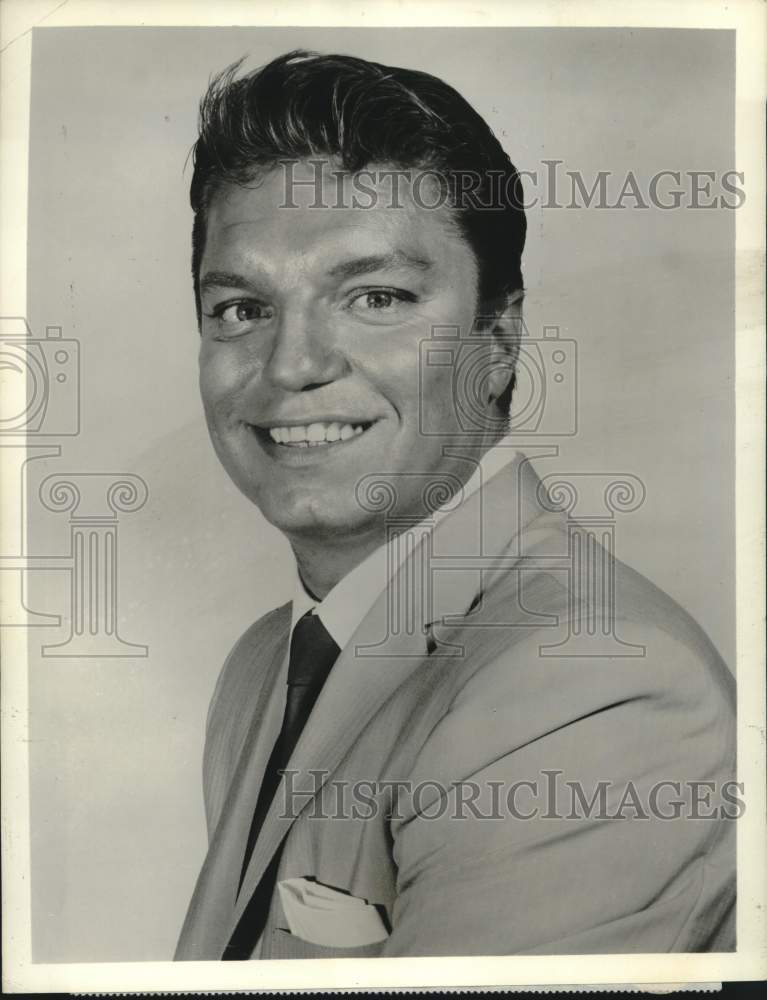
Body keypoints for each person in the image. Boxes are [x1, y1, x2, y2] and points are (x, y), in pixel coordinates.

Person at [175, 50, 735, 960]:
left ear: (499, 342)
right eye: (241, 309)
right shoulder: (260, 671)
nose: (290, 366)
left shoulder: (591, 686)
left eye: (377, 297)